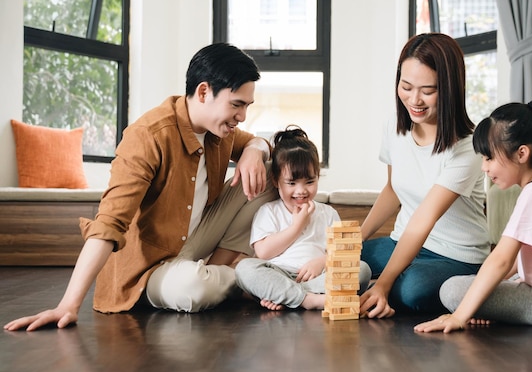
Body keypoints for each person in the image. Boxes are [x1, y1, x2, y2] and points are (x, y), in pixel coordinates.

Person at [4, 42, 279, 331]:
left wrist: (255, 150)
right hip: (150, 268)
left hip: (196, 244)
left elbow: (259, 143)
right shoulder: (148, 137)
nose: (242, 116)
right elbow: (108, 224)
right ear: (203, 92)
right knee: (193, 289)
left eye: (247, 106)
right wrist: (67, 305)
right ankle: (249, 278)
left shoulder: (220, 129)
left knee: (274, 171)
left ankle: (224, 272)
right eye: (236, 105)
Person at [415, 98, 532, 333]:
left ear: (522, 153)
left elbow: (501, 260)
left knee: (451, 289)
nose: (484, 167)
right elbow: (513, 263)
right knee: (480, 286)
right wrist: (482, 301)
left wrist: (459, 316)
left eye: (489, 157)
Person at [359, 33, 491, 318]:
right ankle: (376, 285)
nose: (414, 100)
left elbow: (425, 218)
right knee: (341, 263)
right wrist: (354, 240)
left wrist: (382, 284)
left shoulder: (469, 146)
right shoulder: (395, 126)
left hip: (455, 255)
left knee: (411, 291)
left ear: (450, 89)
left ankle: (378, 288)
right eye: (406, 87)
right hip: (401, 242)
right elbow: (392, 190)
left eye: (427, 91)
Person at [235, 125, 372, 311]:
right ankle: (309, 300)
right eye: (291, 183)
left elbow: (343, 252)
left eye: (309, 182)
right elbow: (264, 253)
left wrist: (323, 261)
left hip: (318, 277)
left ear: (317, 177)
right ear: (276, 181)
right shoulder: (268, 211)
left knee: (362, 269)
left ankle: (286, 296)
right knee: (244, 269)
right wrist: (296, 227)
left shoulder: (328, 213)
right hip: (279, 273)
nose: (301, 191)